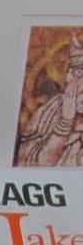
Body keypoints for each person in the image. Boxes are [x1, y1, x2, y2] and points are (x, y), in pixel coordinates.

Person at [16, 33, 83, 166]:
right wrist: (66, 120)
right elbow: (32, 163)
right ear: (68, 77)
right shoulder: (52, 110)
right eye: (79, 73)